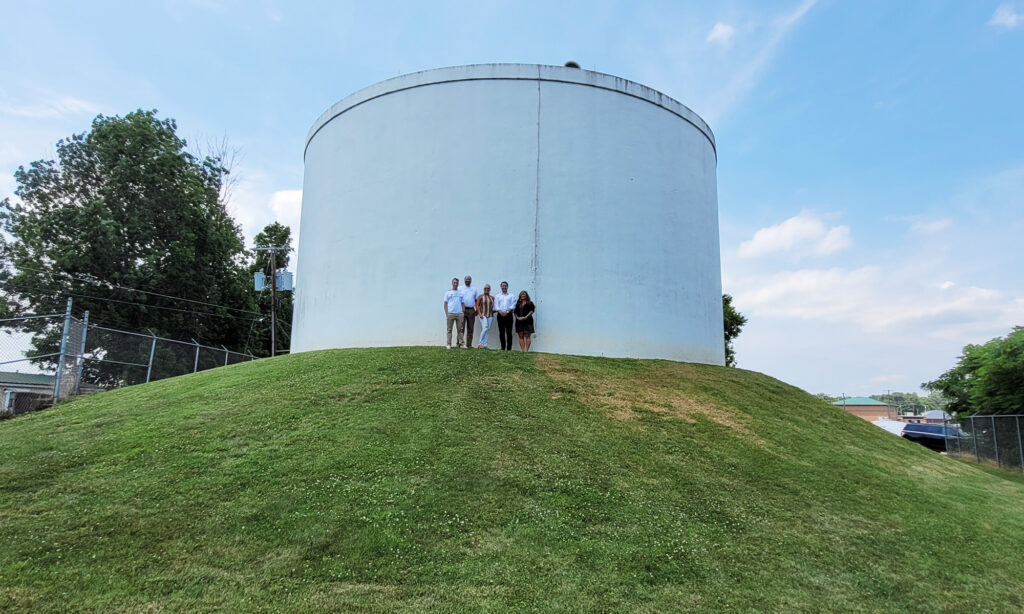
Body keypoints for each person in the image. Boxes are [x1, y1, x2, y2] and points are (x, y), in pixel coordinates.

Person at [493, 281, 516, 351]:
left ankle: (509, 348)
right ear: (501, 287)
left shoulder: (511, 295)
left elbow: (513, 305)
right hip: (500, 315)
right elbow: (496, 305)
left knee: (509, 332)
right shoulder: (497, 296)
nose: (504, 287)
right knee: (501, 332)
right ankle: (503, 348)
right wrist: (500, 311)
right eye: (503, 286)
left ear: (507, 286)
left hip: (508, 315)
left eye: (505, 286)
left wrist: (507, 311)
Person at [443, 277, 464, 349]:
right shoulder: (448, 293)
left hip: (459, 314)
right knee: (449, 330)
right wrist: (447, 313)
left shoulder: (460, 293)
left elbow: (463, 303)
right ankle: (449, 344)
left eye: (456, 283)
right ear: (452, 283)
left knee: (460, 330)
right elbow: (445, 304)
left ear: (458, 284)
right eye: (454, 283)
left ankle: (461, 344)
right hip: (450, 313)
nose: (455, 284)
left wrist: (462, 312)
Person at [460, 275, 479, 349]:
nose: (468, 281)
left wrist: (477, 310)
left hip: (471, 310)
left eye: (469, 279)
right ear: (464, 280)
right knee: (461, 328)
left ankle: (469, 344)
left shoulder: (474, 289)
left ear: (471, 280)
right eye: (466, 279)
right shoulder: (460, 288)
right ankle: (460, 344)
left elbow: (476, 300)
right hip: (462, 310)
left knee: (470, 328)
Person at [475, 284, 495, 348]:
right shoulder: (480, 296)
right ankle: (480, 343)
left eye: (488, 288)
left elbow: (493, 306)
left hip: (490, 315)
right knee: (485, 328)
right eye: (485, 288)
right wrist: (480, 314)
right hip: (483, 315)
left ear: (490, 289)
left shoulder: (492, 297)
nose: (486, 290)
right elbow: (477, 305)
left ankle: (485, 345)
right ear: (483, 289)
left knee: (487, 330)